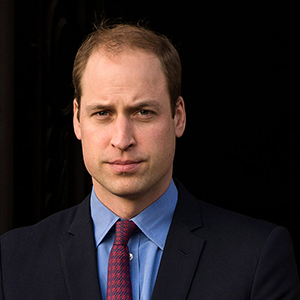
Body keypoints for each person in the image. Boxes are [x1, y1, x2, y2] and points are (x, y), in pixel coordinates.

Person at [0, 21, 299, 300]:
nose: (122, 139)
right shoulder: (13, 259)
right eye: (102, 113)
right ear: (77, 119)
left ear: (178, 116)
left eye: (143, 112)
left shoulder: (256, 256)